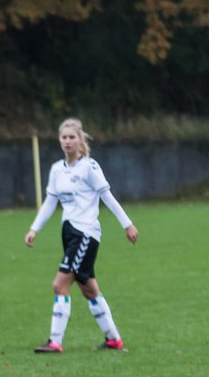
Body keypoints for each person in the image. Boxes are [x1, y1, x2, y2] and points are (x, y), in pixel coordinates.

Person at [25, 118, 139, 353]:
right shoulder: (57, 169)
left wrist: (127, 225)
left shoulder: (89, 167)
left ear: (80, 140)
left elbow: (107, 197)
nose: (67, 141)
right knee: (89, 289)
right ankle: (114, 339)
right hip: (69, 232)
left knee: (59, 285)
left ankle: (55, 341)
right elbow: (50, 202)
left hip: (85, 234)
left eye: (72, 137)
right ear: (59, 140)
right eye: (64, 137)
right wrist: (34, 228)